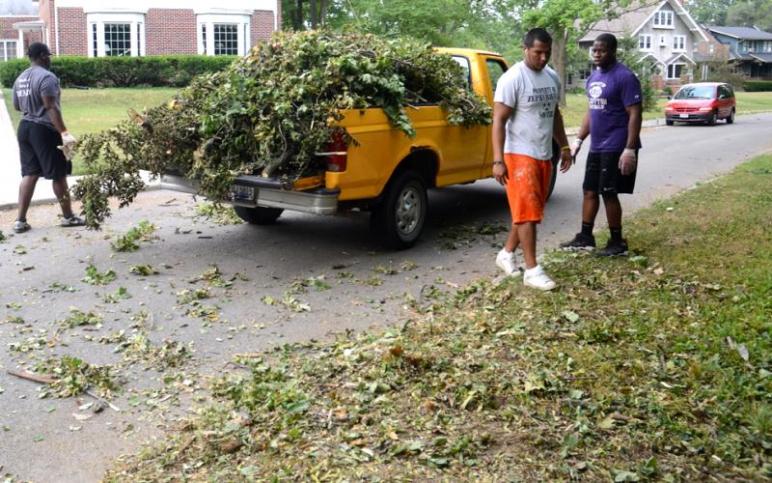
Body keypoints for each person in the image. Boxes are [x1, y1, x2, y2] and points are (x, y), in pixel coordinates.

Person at [492, 28, 572, 291]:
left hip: (543, 152)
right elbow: (498, 121)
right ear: (524, 49)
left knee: (530, 210)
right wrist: (497, 160)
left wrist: (564, 147)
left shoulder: (551, 77)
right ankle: (532, 269)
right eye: (538, 52)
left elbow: (555, 115)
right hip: (518, 154)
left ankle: (506, 254)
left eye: (547, 52)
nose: (543, 57)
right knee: (528, 213)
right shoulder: (512, 78)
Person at [560, 33, 642, 256]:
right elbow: (591, 111)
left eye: (602, 50)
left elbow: (635, 114)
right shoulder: (593, 77)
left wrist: (630, 148)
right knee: (589, 190)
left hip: (616, 145)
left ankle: (617, 242)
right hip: (597, 145)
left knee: (608, 191)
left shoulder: (624, 77)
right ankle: (586, 237)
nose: (596, 54)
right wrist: (578, 140)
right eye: (594, 50)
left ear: (613, 51)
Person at [11, 42, 83, 233]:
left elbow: (17, 106)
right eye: (48, 56)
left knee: (30, 173)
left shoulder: (20, 78)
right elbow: (51, 106)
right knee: (58, 173)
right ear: (43, 56)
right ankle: (68, 217)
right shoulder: (47, 77)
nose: (50, 59)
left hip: (24, 128)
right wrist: (64, 133)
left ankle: (20, 221)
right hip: (43, 130)